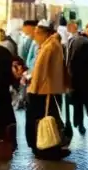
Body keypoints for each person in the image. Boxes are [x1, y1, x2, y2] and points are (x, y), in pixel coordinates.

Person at [26, 21, 69, 159]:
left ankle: (42, 146)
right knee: (51, 118)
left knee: (40, 119)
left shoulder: (48, 47)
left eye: (36, 33)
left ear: (44, 33)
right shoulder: (54, 44)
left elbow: (40, 71)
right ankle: (49, 146)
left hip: (42, 90)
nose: (35, 37)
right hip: (51, 88)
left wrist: (33, 87)